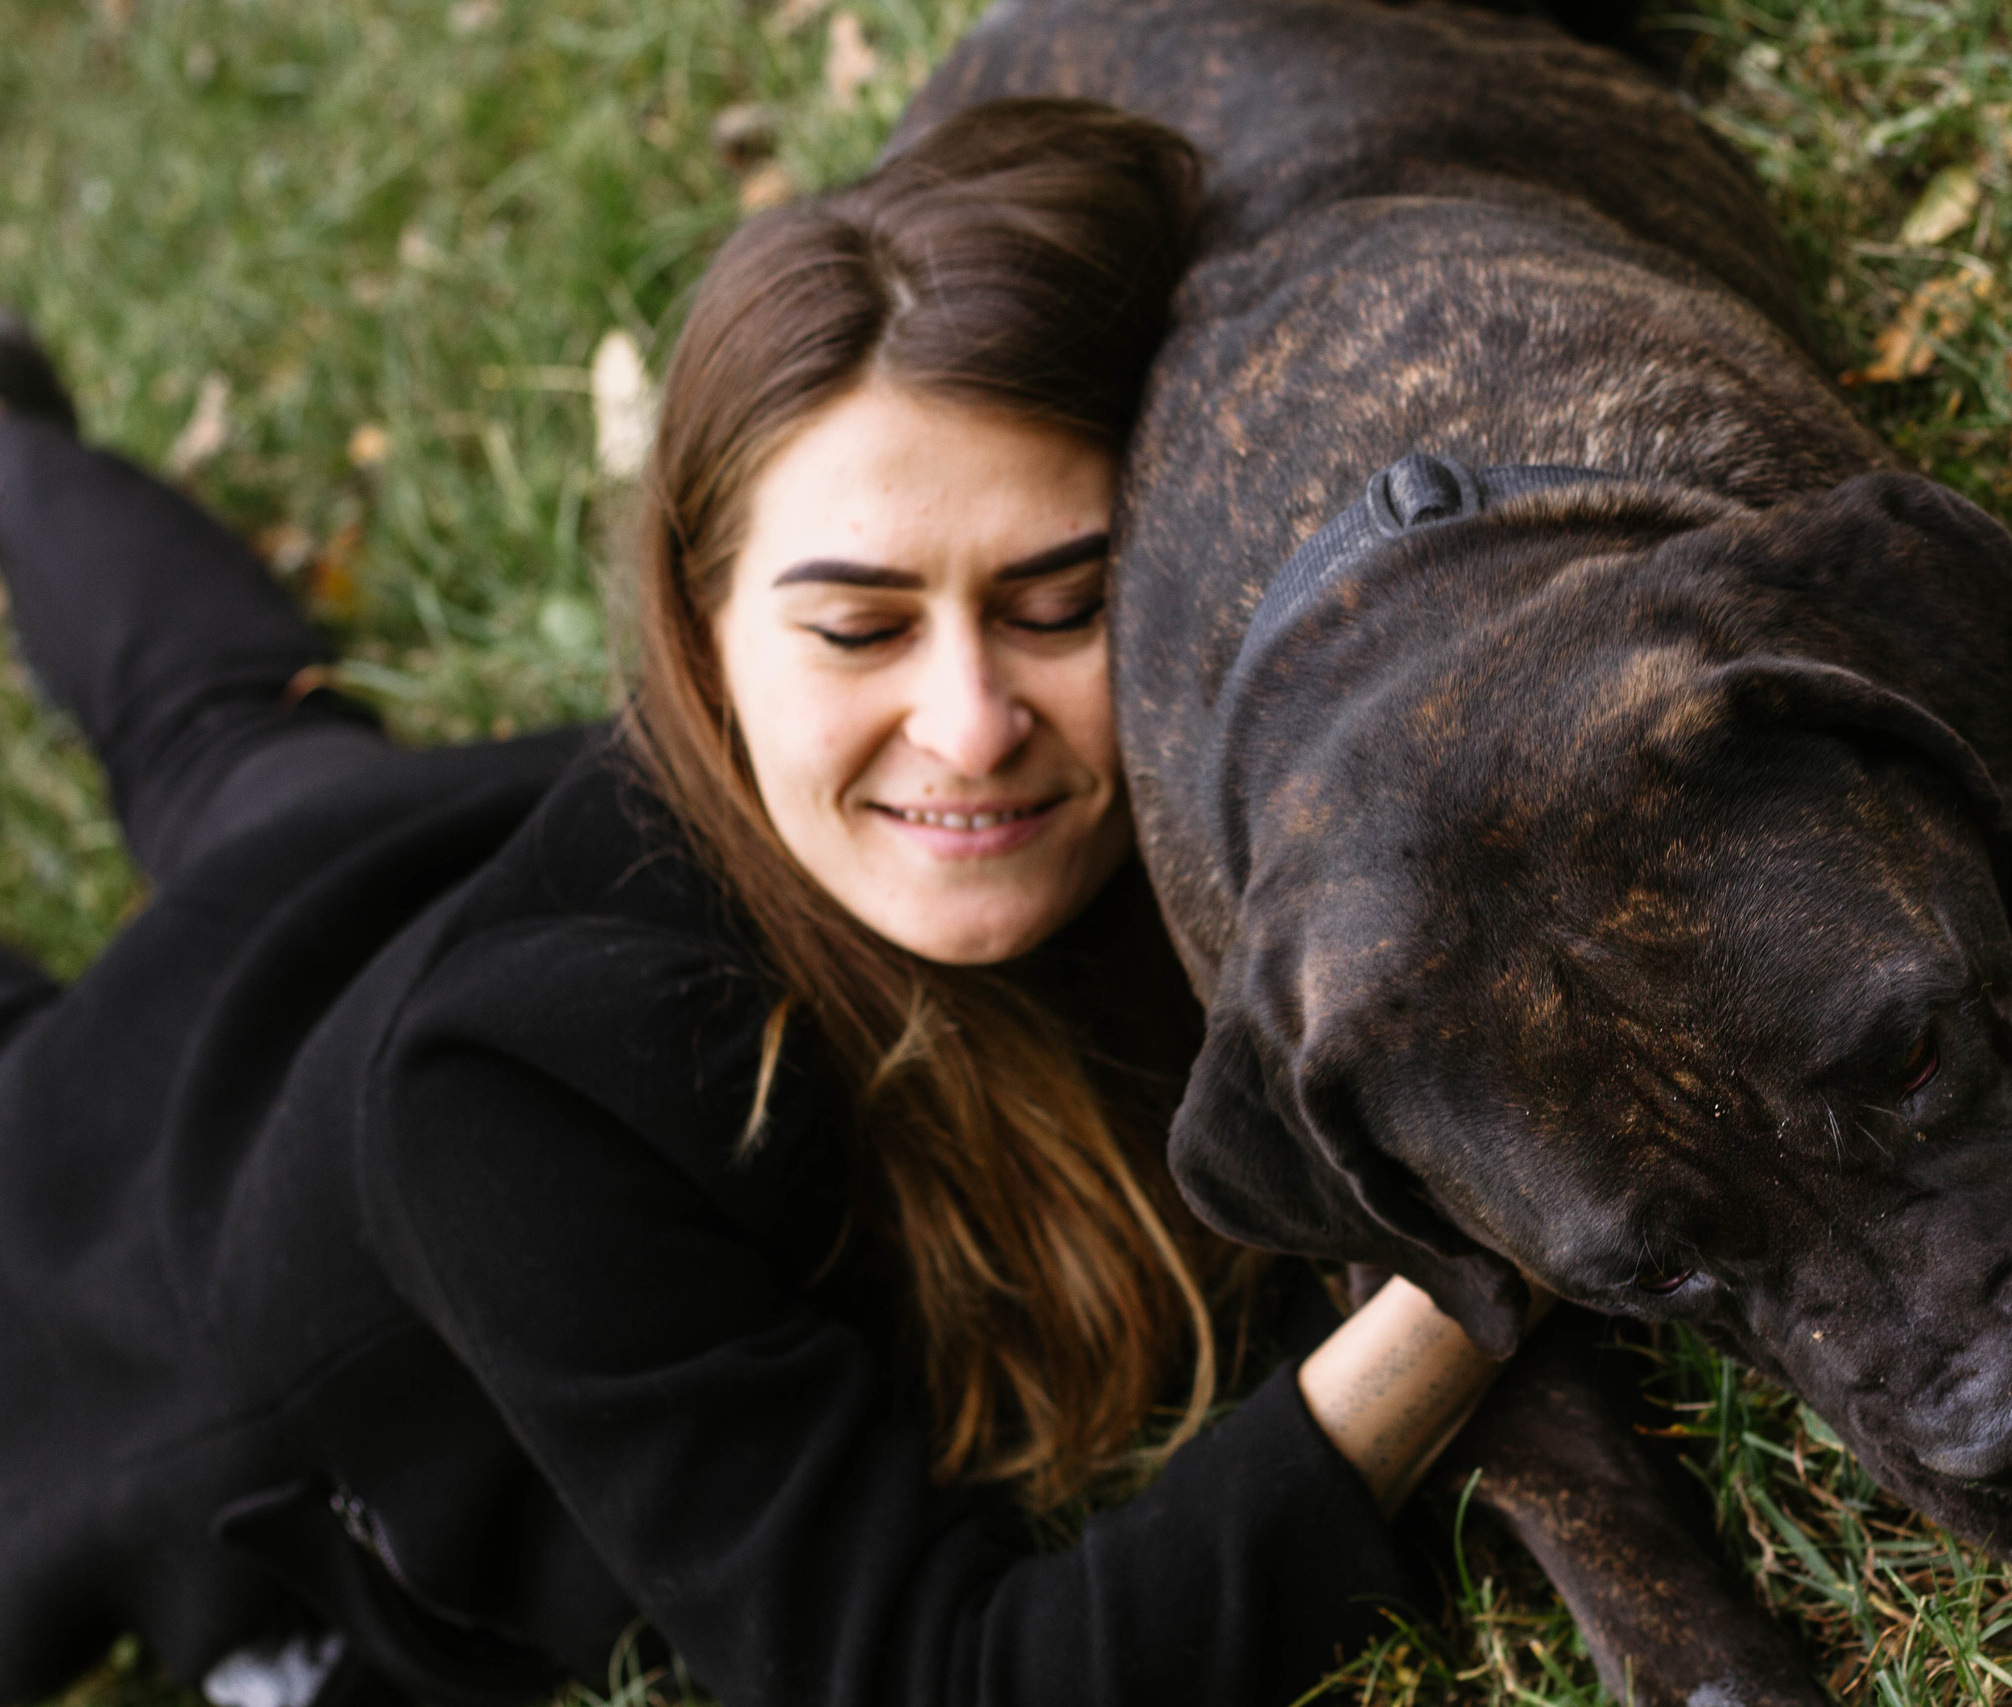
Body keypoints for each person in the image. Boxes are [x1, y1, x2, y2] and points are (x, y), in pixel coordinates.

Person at [0, 99, 1536, 1707]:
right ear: (700, 633)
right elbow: (940, 1686)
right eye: (861, 630)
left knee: (226, 743)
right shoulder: (517, 1112)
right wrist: (1476, 1277)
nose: (971, 725)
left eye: (1060, 603)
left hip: (382, 871)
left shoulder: (1175, 756)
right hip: (109, 1238)